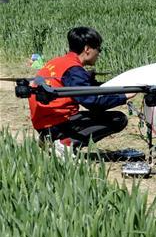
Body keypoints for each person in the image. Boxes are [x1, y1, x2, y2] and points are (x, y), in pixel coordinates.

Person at [28, 26, 135, 154]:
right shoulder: (74, 70)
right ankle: (65, 144)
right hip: (56, 123)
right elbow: (92, 103)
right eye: (98, 49)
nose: (99, 54)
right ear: (87, 49)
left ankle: (47, 139)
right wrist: (123, 97)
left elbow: (88, 88)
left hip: (44, 123)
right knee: (118, 119)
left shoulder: (58, 62)